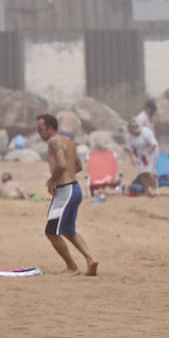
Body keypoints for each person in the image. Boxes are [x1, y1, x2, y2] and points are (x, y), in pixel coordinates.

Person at [36, 114, 97, 277]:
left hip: (65, 191)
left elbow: (62, 164)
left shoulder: (53, 141)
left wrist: (52, 180)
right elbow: (77, 166)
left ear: (50, 128)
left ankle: (72, 267)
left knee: (51, 232)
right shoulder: (69, 142)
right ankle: (91, 259)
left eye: (41, 129)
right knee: (69, 230)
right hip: (75, 189)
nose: (38, 133)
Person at [125, 119, 159, 197]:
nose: (130, 132)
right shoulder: (129, 136)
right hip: (140, 154)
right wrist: (132, 159)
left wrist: (147, 152)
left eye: (131, 130)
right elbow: (130, 149)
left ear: (135, 128)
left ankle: (154, 188)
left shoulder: (146, 132)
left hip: (151, 152)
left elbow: (153, 144)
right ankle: (146, 191)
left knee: (148, 171)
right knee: (142, 173)